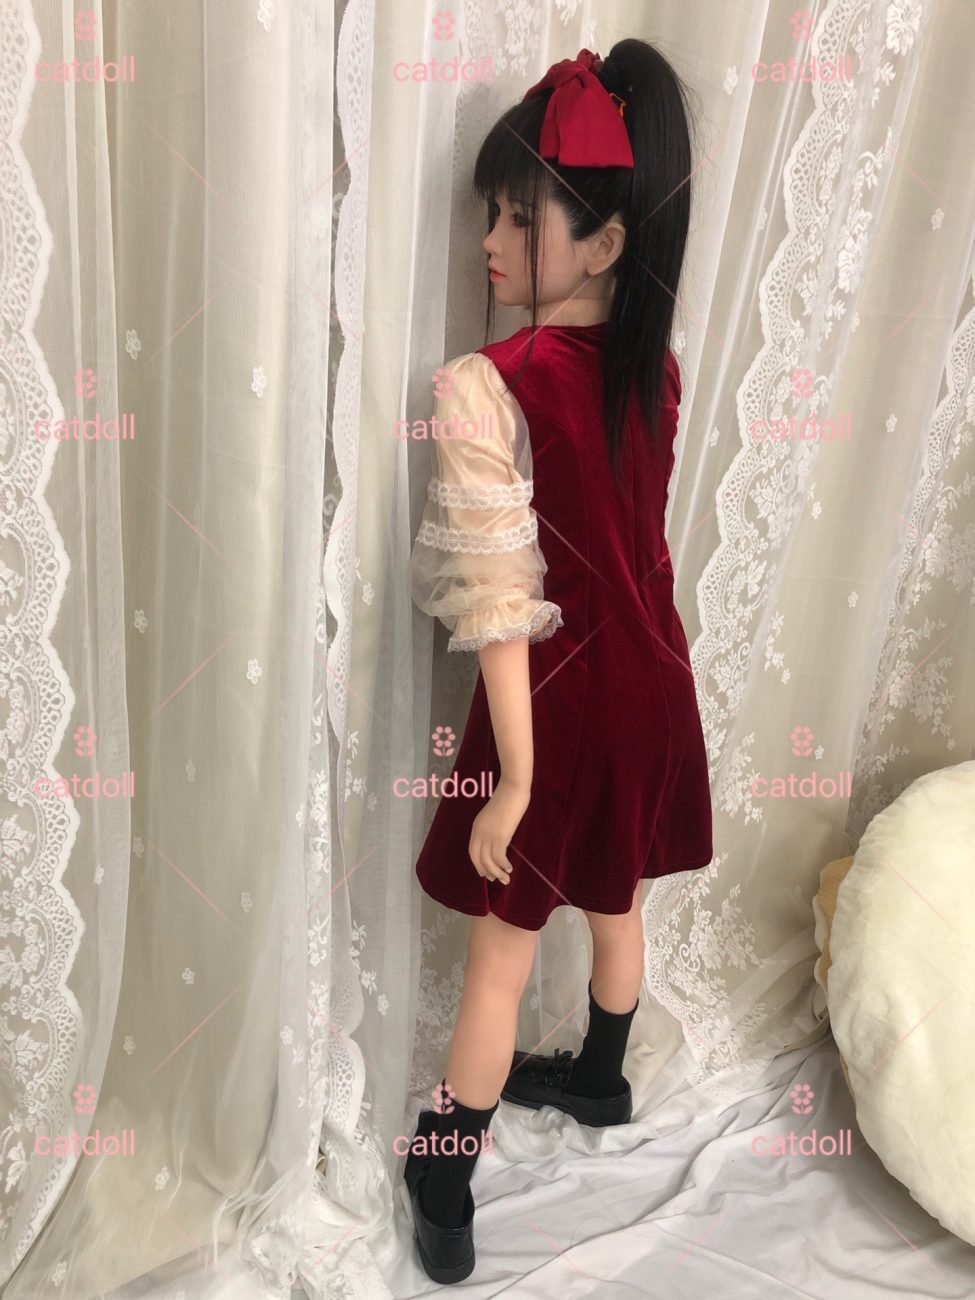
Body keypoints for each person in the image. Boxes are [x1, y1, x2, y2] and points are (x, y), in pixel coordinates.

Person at [403, 40, 713, 1285]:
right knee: (619, 894)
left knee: (503, 952)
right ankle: (600, 1076)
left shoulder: (489, 387)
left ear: (603, 243)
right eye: (492, 213)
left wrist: (517, 780)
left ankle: (444, 1175)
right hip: (659, 683)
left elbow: (500, 606)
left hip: (563, 703)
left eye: (518, 219)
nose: (489, 241)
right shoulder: (656, 371)